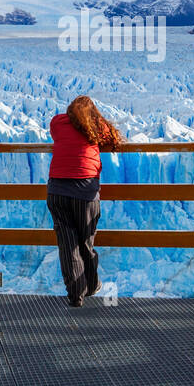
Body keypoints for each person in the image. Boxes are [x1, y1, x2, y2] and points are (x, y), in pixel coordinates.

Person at [47, 96, 122, 307]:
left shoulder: (58, 122)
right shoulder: (96, 127)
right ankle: (91, 284)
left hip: (57, 191)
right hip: (85, 192)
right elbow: (111, 138)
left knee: (68, 244)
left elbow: (55, 133)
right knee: (86, 242)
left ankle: (76, 294)